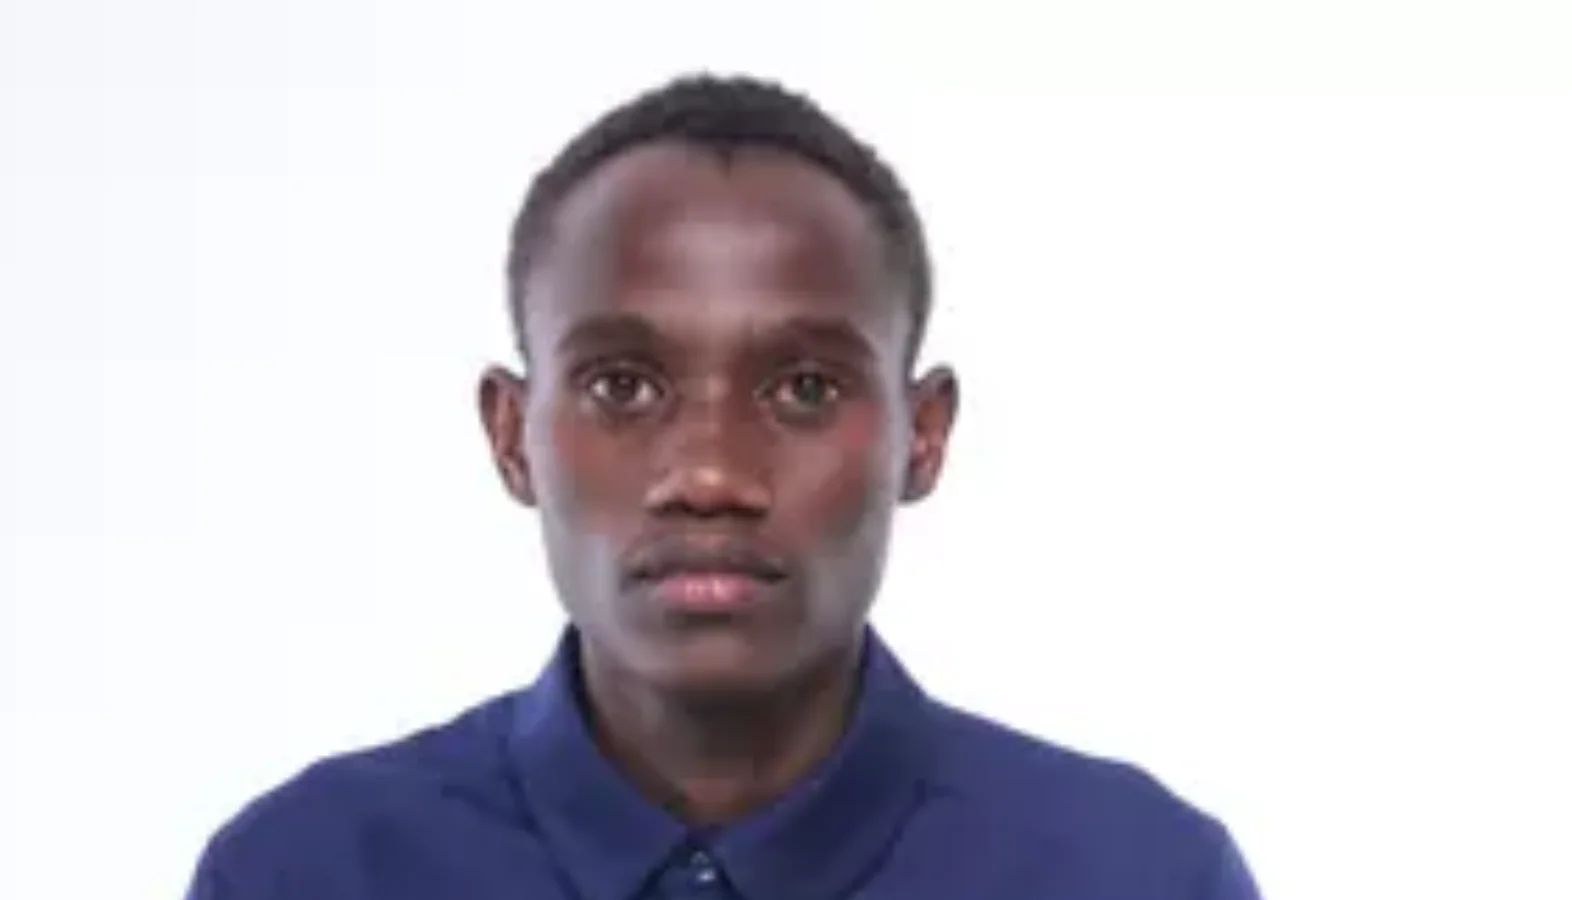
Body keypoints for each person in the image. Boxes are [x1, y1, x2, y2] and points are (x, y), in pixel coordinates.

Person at [183, 73, 1262, 900]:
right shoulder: (306, 873)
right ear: (512, 437)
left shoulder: (1138, 875)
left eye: (803, 389)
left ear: (922, 437)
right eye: (621, 386)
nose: (708, 474)